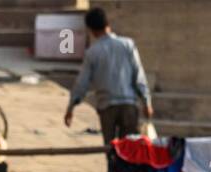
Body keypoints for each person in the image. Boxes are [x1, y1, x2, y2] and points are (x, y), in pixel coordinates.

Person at [64, 7, 154, 144]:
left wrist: (71, 108)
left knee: (111, 151)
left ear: (91, 30)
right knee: (130, 151)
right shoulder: (127, 45)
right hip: (129, 106)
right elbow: (138, 76)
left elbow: (81, 84)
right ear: (108, 24)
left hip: (107, 108)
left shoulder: (92, 52)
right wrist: (146, 102)